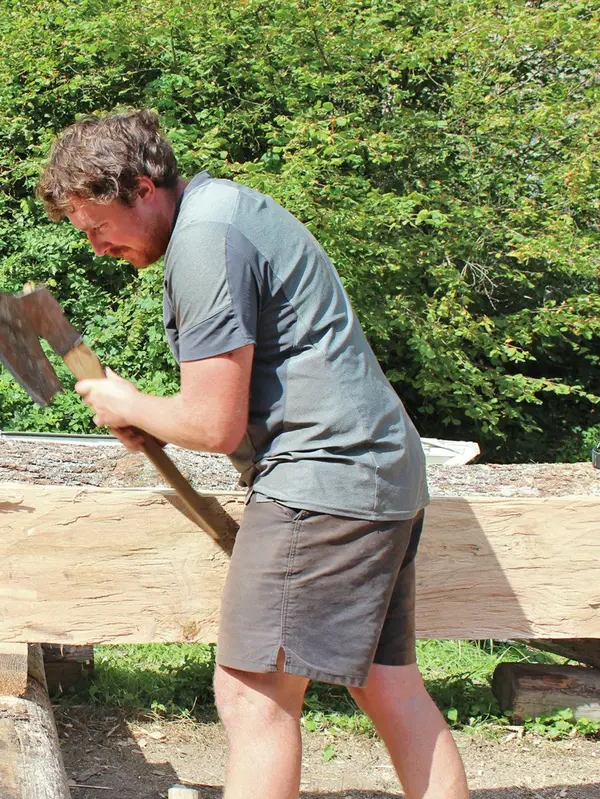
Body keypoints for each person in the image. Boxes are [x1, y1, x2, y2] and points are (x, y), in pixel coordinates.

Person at [36, 109, 469, 799]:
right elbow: (217, 413)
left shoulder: (205, 239)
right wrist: (147, 414)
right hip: (381, 467)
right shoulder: (226, 211)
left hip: (321, 477)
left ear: (144, 188)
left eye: (97, 226)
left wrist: (128, 402)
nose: (95, 246)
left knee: (252, 694)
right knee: (388, 684)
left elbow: (211, 420)